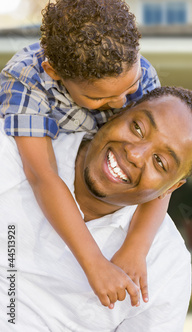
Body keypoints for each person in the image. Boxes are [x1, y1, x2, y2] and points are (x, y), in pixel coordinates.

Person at [0, 86, 192, 331]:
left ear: (171, 188)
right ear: (117, 113)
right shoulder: (12, 152)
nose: (136, 154)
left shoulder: (166, 264)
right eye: (138, 128)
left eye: (160, 162)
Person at [0, 0, 173, 308]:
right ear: (54, 71)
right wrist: (94, 263)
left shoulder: (142, 74)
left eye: (128, 88)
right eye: (98, 97)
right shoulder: (26, 79)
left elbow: (165, 176)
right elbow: (42, 175)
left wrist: (136, 246)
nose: (121, 103)